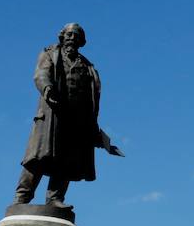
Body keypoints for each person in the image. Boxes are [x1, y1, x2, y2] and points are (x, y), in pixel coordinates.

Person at [12, 23, 124, 208]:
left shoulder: (88, 67)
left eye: (76, 35)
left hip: (77, 119)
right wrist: (47, 89)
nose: (72, 38)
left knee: (67, 160)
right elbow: (41, 74)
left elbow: (92, 98)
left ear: (82, 41)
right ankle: (22, 197)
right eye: (69, 34)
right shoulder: (50, 54)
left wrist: (97, 132)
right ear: (62, 36)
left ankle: (55, 199)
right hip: (52, 114)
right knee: (38, 158)